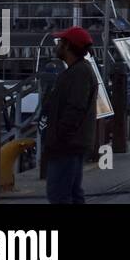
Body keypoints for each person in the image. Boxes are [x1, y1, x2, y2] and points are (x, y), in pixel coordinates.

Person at [40, 26, 99, 204]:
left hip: (67, 144)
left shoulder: (79, 73)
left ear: (68, 46)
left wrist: (58, 137)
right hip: (70, 143)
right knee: (72, 192)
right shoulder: (78, 70)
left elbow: (75, 108)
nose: (57, 46)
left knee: (59, 194)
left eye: (60, 42)